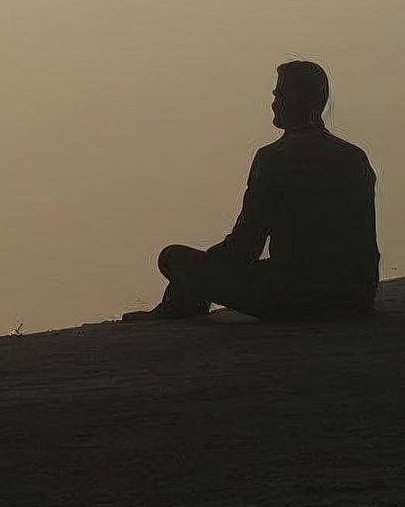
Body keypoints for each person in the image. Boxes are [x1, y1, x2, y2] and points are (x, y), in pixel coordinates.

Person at [125, 60, 379, 322]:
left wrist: (199, 271)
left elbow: (245, 246)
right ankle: (186, 298)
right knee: (204, 268)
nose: (274, 103)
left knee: (173, 258)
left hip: (298, 297)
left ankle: (180, 304)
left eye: (280, 95)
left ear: (300, 101)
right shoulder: (354, 157)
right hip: (357, 295)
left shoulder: (274, 159)